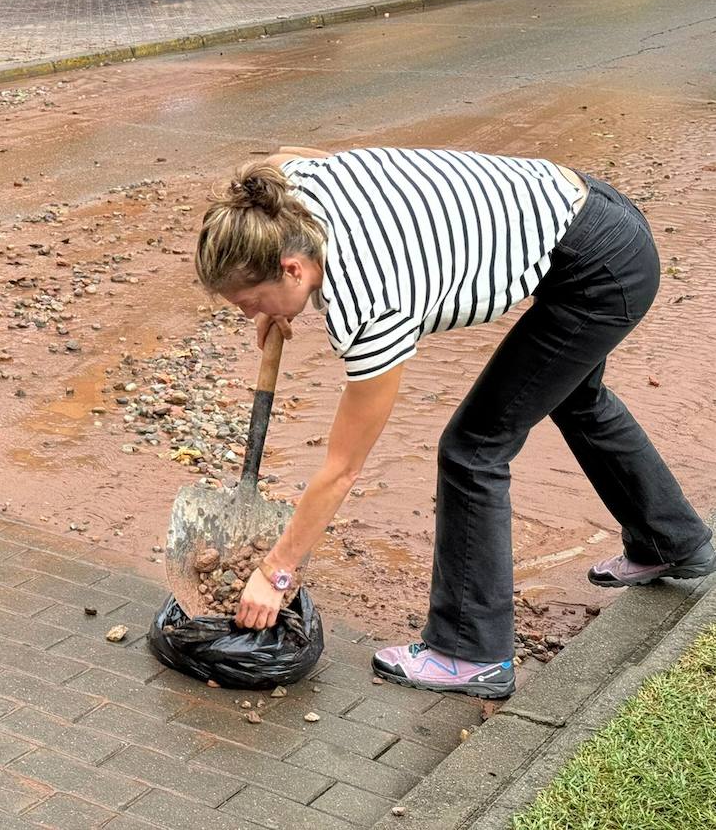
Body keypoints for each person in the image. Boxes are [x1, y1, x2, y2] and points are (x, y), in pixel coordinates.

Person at [194, 145, 714, 699]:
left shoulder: (372, 301)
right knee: (573, 396)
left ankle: (472, 653)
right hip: (594, 211)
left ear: (291, 268)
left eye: (251, 302)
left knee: (474, 449)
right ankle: (672, 541)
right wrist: (277, 305)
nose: (250, 315)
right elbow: (292, 153)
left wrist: (276, 572)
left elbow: (343, 467)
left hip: (600, 271)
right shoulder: (283, 191)